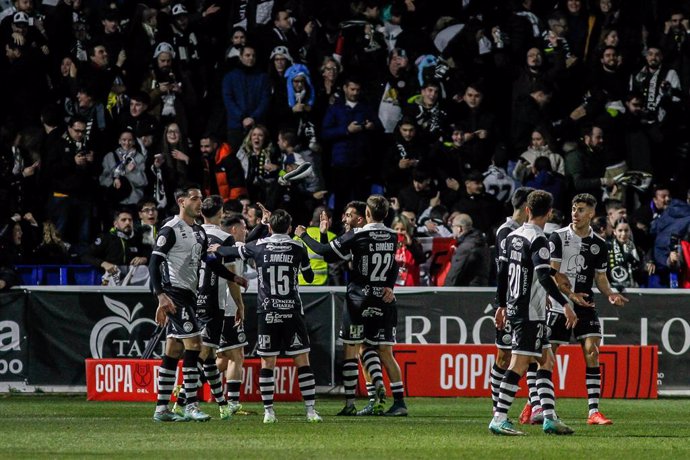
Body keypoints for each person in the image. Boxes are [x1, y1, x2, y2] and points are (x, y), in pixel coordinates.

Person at [296, 195, 408, 417]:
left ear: (367, 215)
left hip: (359, 300)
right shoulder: (393, 235)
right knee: (383, 351)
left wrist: (304, 235)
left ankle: (352, 403)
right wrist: (389, 286)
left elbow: (324, 253)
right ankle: (398, 403)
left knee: (352, 348)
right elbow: (393, 265)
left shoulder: (358, 235)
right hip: (384, 299)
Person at [211, 209, 322, 424]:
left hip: (268, 311)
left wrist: (217, 248)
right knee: (302, 361)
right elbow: (308, 277)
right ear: (289, 228)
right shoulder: (298, 246)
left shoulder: (259, 246)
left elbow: (231, 252)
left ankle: (269, 412)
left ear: (269, 227)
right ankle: (310, 411)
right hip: (292, 311)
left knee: (267, 363)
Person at [149, 185, 246, 422]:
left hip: (189, 295)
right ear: (181, 202)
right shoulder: (170, 229)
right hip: (175, 294)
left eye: (200, 198)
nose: (199, 202)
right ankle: (190, 404)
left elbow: (209, 261)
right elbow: (153, 263)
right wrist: (160, 295)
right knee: (195, 346)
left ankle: (162, 409)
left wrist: (233, 276)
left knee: (173, 350)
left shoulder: (199, 232)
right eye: (194, 198)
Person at [490, 190, 574, 436]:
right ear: (548, 213)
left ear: (527, 209)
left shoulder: (511, 237)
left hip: (517, 307)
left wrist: (501, 305)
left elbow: (502, 275)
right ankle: (499, 417)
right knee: (518, 364)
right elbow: (544, 276)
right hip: (529, 312)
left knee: (546, 360)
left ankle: (549, 417)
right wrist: (565, 303)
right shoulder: (539, 240)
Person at [547, 193, 629, 425]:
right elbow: (552, 274)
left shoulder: (599, 244)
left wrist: (611, 294)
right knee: (547, 358)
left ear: (591, 214)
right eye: (574, 208)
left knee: (592, 351)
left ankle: (593, 411)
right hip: (559, 304)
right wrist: (569, 297)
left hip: (585, 304)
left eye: (581, 209)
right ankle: (535, 404)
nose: (575, 213)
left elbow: (600, 278)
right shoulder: (558, 237)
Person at [217, 213, 251, 414]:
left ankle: (186, 388)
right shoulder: (235, 248)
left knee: (222, 357)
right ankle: (233, 404)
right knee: (237, 355)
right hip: (229, 309)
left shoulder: (216, 245)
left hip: (217, 307)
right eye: (244, 227)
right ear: (234, 230)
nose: (246, 231)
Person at [81, 209, 148, 284]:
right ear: (115, 224)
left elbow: (150, 254)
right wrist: (103, 264)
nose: (128, 222)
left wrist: (144, 258)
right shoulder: (106, 238)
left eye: (130, 220)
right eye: (123, 220)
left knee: (146, 270)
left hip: (133, 274)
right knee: (112, 272)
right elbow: (85, 256)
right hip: (110, 275)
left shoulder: (138, 238)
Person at [444, 213, 490, 287]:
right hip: (481, 288)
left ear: (459, 229)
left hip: (466, 292)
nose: (452, 229)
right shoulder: (482, 243)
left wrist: (444, 293)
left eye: (452, 226)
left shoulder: (464, 248)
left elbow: (454, 275)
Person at [607, 218, 644, 290]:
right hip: (612, 287)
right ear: (614, 231)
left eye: (626, 230)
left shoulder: (635, 248)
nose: (623, 234)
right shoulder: (608, 247)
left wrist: (633, 262)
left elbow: (640, 270)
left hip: (632, 287)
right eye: (620, 230)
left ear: (630, 231)